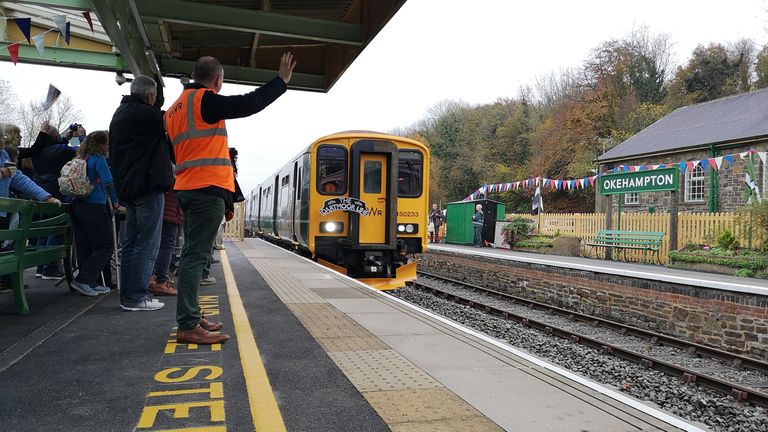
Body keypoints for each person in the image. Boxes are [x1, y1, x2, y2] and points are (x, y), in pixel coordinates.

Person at [165, 53, 295, 344]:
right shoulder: (205, 101)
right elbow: (248, 104)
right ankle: (187, 324)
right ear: (218, 80)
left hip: (186, 187)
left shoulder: (173, 110)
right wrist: (280, 82)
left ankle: (192, 314)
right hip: (205, 189)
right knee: (194, 256)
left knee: (191, 254)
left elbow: (174, 153)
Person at [109, 75, 175, 312]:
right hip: (147, 186)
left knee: (131, 244)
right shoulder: (147, 115)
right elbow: (173, 120)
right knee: (147, 243)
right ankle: (136, 296)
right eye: (155, 98)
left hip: (129, 188)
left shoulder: (120, 114)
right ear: (149, 97)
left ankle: (129, 296)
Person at [67, 131, 118, 296]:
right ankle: (84, 279)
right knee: (105, 245)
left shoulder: (79, 159)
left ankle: (91, 282)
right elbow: (108, 182)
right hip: (94, 206)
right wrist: (116, 201)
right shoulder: (99, 159)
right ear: (102, 145)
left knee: (85, 246)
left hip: (76, 205)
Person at [31, 123, 79, 279]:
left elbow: (54, 146)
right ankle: (51, 268)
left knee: (43, 229)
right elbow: (79, 152)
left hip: (40, 191)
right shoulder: (62, 150)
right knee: (56, 228)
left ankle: (40, 266)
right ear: (56, 137)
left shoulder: (37, 151)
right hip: (56, 191)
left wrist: (65, 138)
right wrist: (81, 136)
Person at [149, 191, 181, 296]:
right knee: (167, 244)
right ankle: (161, 281)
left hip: (157, 205)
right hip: (170, 207)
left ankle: (151, 278)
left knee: (152, 243)